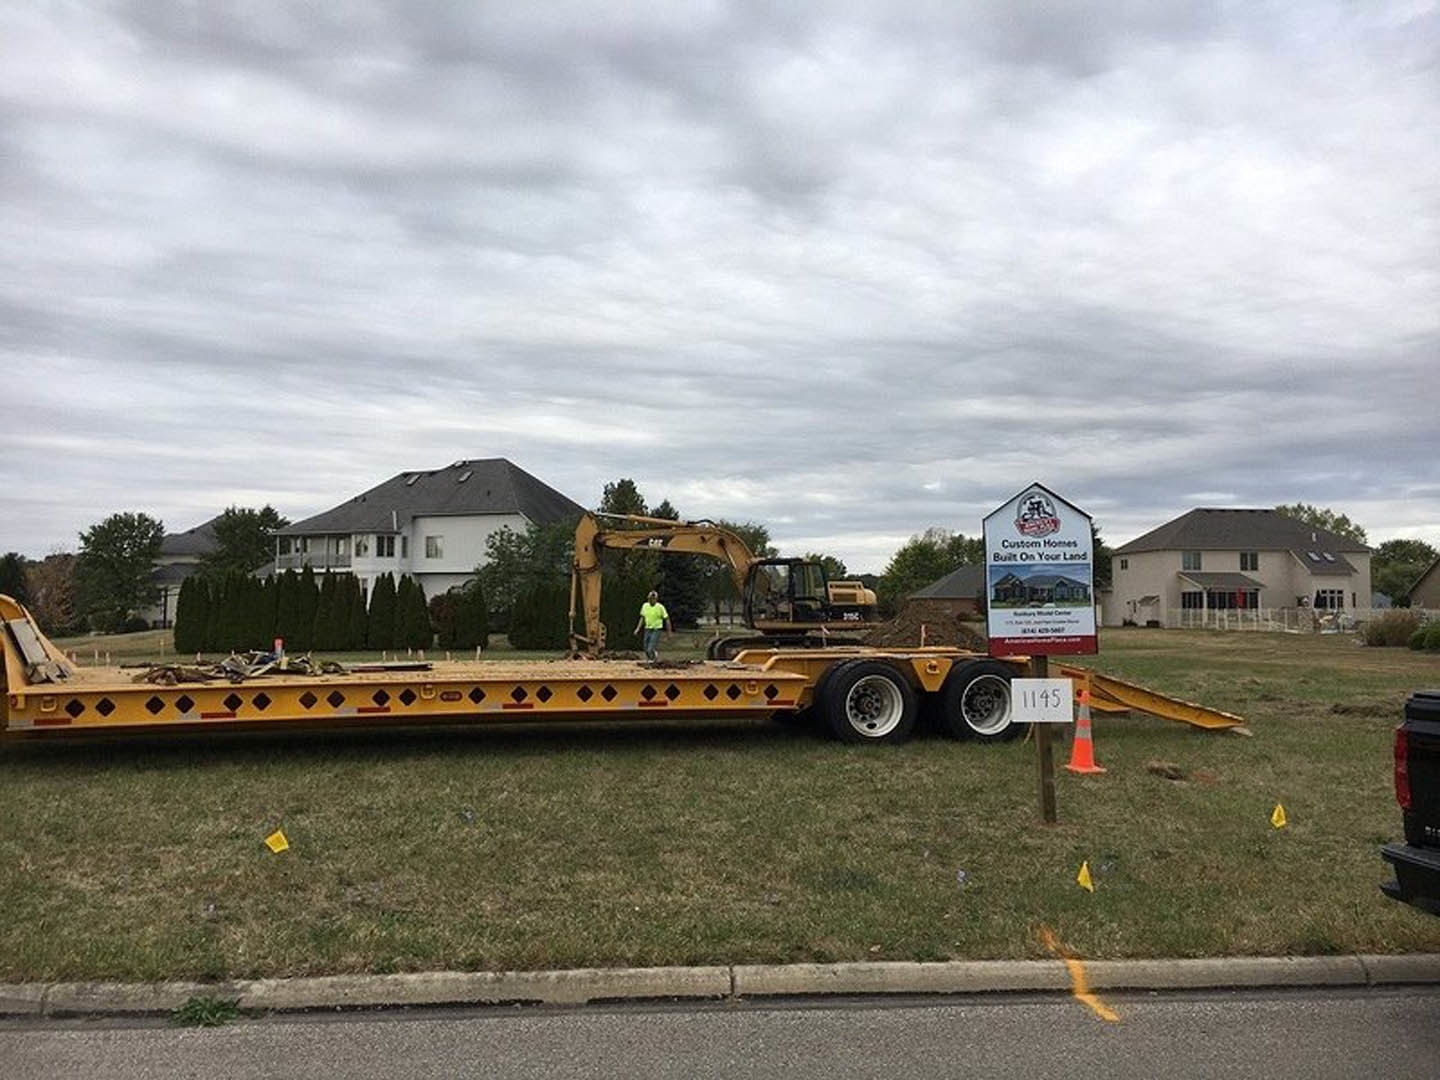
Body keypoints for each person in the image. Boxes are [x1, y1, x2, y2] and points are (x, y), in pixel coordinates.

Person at [634, 589, 671, 661]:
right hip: (647, 628)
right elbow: (642, 618)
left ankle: (652, 659)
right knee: (645, 648)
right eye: (650, 599)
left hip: (656, 629)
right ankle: (652, 657)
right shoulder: (645, 606)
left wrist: (669, 632)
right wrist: (638, 628)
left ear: (656, 599)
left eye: (653, 599)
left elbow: (667, 619)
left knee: (650, 648)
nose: (651, 600)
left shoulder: (660, 607)